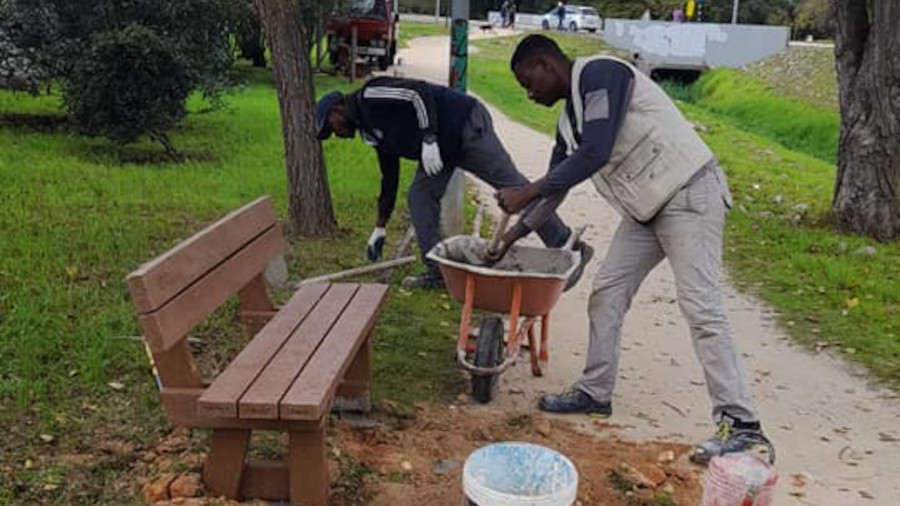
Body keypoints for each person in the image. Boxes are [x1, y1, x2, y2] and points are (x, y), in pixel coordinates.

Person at [492, 34, 773, 465]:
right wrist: (510, 237)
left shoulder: (602, 74)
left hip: (687, 193)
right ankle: (595, 391)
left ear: (547, 64)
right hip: (646, 210)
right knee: (607, 293)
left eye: (529, 81)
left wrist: (525, 191)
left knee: (701, 308)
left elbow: (595, 152)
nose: (529, 94)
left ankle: (744, 427)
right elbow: (555, 188)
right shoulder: (568, 121)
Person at [316, 76, 593, 290]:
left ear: (338, 106)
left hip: (463, 125)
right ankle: (438, 271)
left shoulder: (370, 95)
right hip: (440, 150)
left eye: (332, 124)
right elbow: (390, 178)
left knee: (513, 189)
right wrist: (380, 226)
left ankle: (568, 244)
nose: (335, 133)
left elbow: (418, 92)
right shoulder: (372, 133)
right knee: (419, 196)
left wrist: (428, 137)